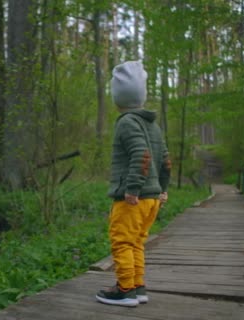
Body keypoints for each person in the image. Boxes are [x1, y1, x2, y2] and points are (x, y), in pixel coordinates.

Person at [95, 61, 171, 307]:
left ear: (119, 96)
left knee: (122, 241)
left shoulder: (127, 122)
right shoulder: (153, 125)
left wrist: (132, 189)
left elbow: (141, 155)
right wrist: (163, 189)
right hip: (152, 198)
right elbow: (165, 160)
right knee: (137, 242)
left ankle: (125, 290)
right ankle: (138, 287)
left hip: (133, 198)